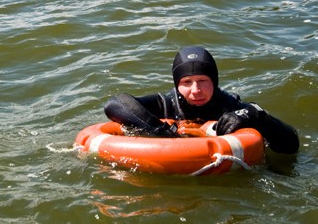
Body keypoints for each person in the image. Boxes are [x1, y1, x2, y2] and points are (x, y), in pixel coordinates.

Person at [104, 46, 300, 154]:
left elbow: (291, 145)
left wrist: (258, 116)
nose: (196, 90)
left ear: (214, 82)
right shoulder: (166, 104)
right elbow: (115, 104)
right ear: (176, 84)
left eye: (203, 81)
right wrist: (160, 131)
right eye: (187, 82)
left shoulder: (229, 106)